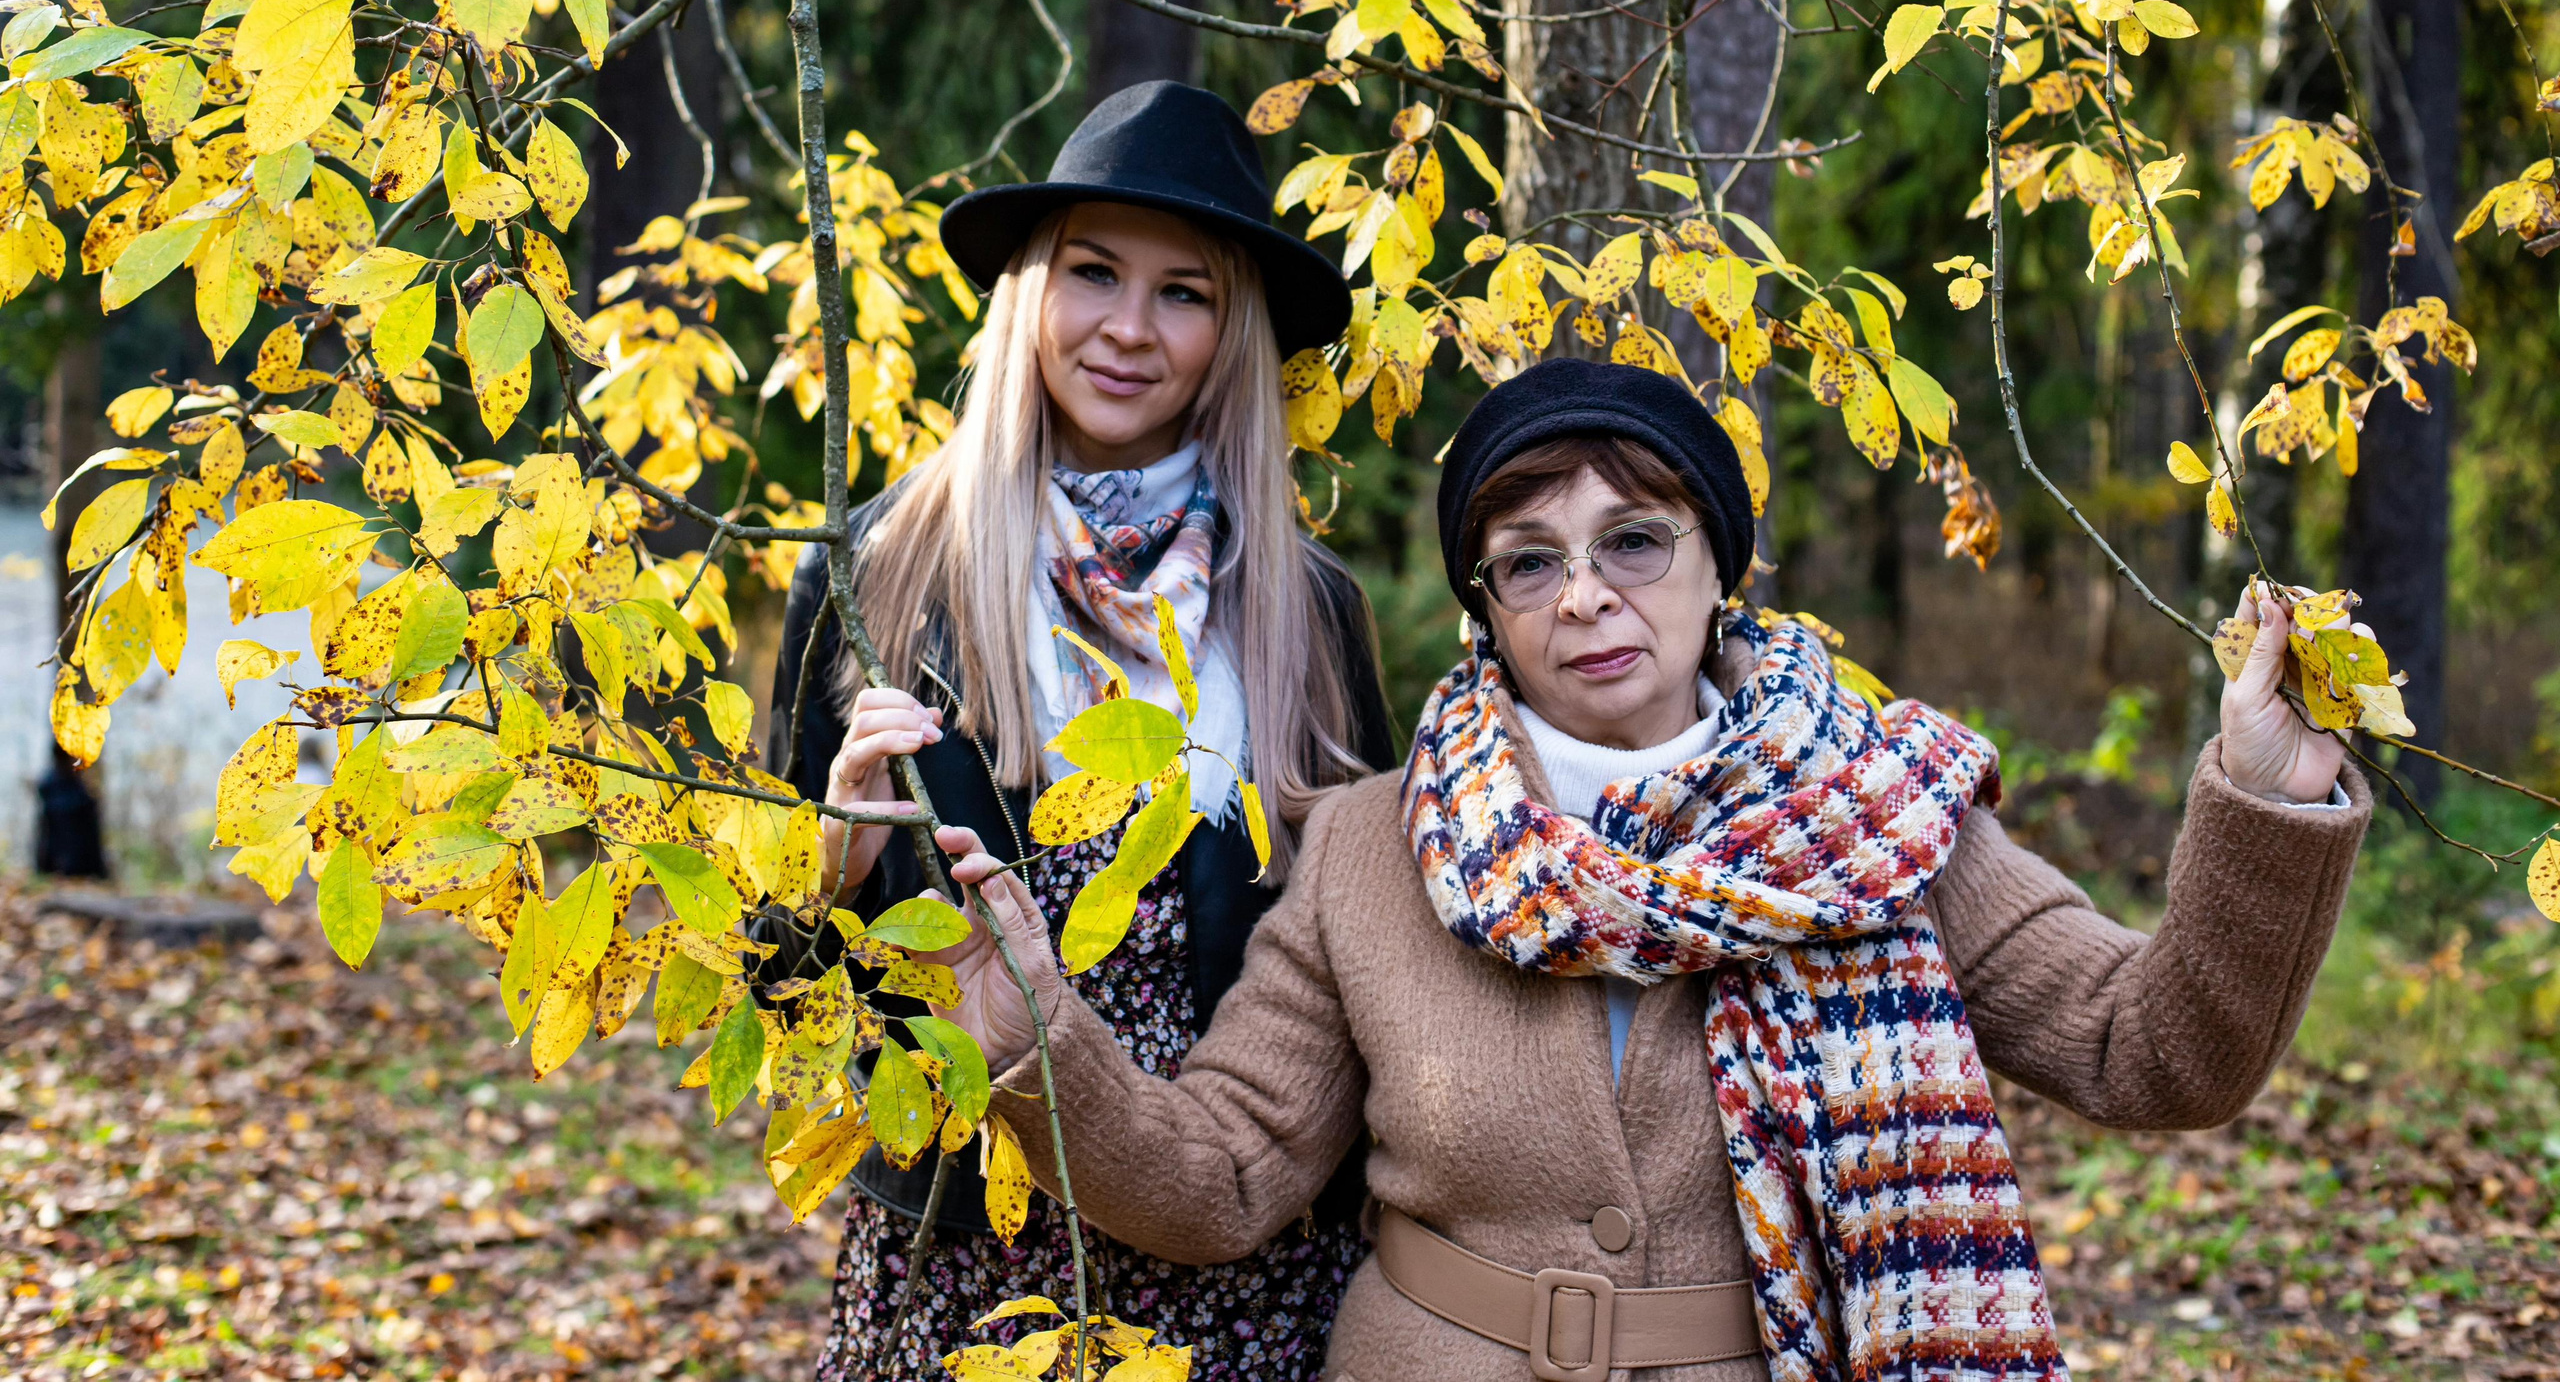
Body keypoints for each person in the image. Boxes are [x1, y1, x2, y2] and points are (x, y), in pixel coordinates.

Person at [929, 356, 2372, 1382]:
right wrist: (1028, 1042)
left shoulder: (1875, 821)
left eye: (1634, 540)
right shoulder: (1377, 844)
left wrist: (2264, 794)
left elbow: (2155, 1055)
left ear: (1715, 564)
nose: (1590, 596)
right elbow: (1227, 1175)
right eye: (1530, 561)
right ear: (1485, 608)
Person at [769, 82, 1398, 1381]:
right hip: (962, 1256)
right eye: (1094, 273)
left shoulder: (1306, 611)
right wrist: (820, 873)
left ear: (1232, 333)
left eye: (1185, 292)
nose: (1128, 329)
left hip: (1240, 1267)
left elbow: (1373, 967)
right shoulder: (881, 578)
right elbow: (777, 993)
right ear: (1030, 297)